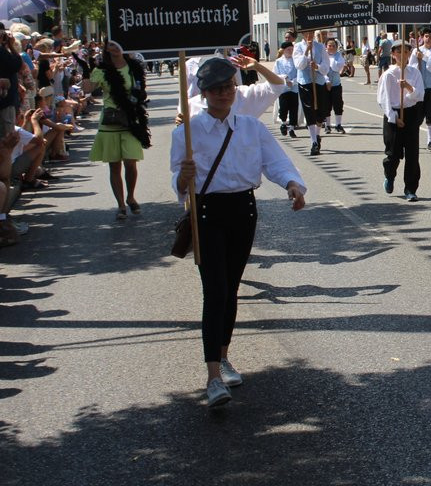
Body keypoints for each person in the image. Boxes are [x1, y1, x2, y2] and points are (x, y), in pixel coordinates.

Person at [171, 57, 306, 408]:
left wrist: (292, 184)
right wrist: (183, 177)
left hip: (244, 211)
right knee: (214, 290)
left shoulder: (250, 127)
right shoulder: (186, 131)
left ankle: (224, 355)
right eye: (216, 88)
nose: (224, 93)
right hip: (206, 213)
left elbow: (273, 160)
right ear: (203, 92)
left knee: (229, 288)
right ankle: (213, 376)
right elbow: (178, 183)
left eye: (229, 86)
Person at [89, 41, 151, 221]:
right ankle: (121, 205)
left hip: (130, 119)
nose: (115, 48)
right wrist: (87, 69)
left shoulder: (133, 67)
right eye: (111, 45)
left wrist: (138, 97)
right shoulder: (102, 69)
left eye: (118, 44)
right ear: (107, 48)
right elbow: (88, 89)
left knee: (131, 162)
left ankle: (130, 196)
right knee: (114, 164)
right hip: (110, 122)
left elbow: (141, 90)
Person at [377, 41, 424, 201]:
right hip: (394, 114)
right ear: (393, 54)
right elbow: (383, 99)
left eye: (406, 52)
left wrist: (409, 88)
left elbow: (420, 95)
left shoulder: (414, 73)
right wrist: (394, 117)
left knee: (412, 154)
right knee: (393, 153)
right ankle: (389, 176)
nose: (403, 55)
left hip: (411, 113)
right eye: (399, 51)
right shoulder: (388, 74)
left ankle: (410, 188)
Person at [293, 31, 331, 156]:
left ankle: (317, 134)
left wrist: (317, 67)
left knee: (321, 112)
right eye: (306, 33)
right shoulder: (298, 46)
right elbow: (299, 65)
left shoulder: (320, 47)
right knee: (309, 111)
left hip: (318, 82)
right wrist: (306, 51)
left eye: (311, 33)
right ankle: (314, 142)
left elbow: (326, 68)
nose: (309, 35)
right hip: (305, 82)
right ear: (303, 34)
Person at [412, 27, 431, 152]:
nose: (427, 39)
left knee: (430, 114)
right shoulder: (416, 51)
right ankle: (413, 140)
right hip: (420, 87)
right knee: (417, 115)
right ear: (422, 37)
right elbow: (411, 67)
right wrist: (417, 62)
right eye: (425, 36)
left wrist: (423, 57)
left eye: (430, 37)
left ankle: (430, 141)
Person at [273, 42, 298, 138]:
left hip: (294, 88)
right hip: (283, 88)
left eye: (292, 49)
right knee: (283, 108)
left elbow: (299, 73)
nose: (290, 51)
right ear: (283, 50)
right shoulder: (278, 61)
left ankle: (292, 128)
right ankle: (283, 123)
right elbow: (275, 74)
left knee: (294, 108)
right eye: (288, 49)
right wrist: (285, 78)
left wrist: (293, 81)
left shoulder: (295, 61)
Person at [325, 39, 347, 134]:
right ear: (326, 46)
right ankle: (327, 125)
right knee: (326, 105)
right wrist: (326, 80)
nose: (331, 47)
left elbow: (337, 67)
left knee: (338, 104)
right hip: (325, 84)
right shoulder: (323, 55)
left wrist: (330, 62)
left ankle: (338, 125)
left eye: (333, 45)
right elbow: (321, 70)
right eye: (329, 45)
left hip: (336, 84)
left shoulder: (338, 55)